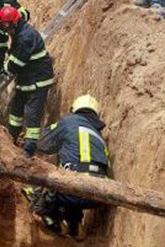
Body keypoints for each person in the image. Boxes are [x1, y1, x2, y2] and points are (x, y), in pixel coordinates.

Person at [24, 94, 109, 239]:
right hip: (99, 195)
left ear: (74, 109)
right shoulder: (98, 136)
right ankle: (75, 226)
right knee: (75, 178)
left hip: (73, 191)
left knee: (37, 190)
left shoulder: (68, 121)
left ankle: (54, 221)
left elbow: (43, 143)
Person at [0, 6, 54, 157]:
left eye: (6, 27)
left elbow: (16, 63)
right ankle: (11, 137)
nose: (6, 30)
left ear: (13, 23)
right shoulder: (19, 30)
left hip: (37, 81)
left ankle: (29, 149)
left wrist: (6, 67)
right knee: (15, 110)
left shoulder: (26, 37)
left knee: (32, 115)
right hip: (26, 78)